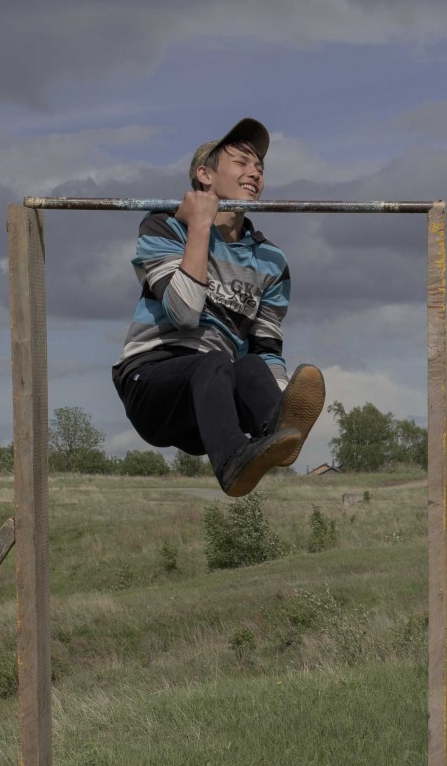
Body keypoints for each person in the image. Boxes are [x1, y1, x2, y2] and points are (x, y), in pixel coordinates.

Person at [112, 118, 325, 496]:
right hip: (151, 387)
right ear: (204, 175)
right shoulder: (164, 226)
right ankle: (231, 465)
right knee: (212, 362)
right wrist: (199, 226)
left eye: (260, 167)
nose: (255, 172)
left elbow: (267, 351)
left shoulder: (270, 261)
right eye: (242, 162)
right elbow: (184, 313)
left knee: (249, 366)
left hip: (211, 410)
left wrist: (280, 406)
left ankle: (279, 432)